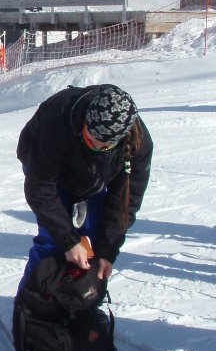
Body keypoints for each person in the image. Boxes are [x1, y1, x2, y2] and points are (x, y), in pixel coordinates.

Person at [16, 83, 153, 283]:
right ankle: (33, 300)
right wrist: (68, 242)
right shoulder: (57, 123)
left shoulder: (138, 145)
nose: (96, 145)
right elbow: (40, 188)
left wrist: (108, 250)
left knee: (95, 240)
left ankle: (78, 298)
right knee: (53, 241)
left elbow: (125, 200)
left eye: (104, 145)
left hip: (95, 176)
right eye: (91, 138)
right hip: (49, 171)